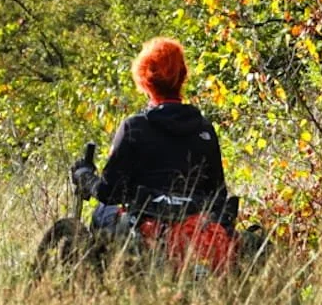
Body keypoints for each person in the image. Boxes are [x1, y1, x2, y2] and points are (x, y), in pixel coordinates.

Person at [72, 38, 234, 257]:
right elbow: (218, 195)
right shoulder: (204, 129)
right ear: (182, 76)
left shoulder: (134, 127)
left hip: (143, 232)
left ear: (144, 80)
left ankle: (101, 280)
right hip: (194, 230)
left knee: (103, 213)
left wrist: (84, 176)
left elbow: (109, 193)